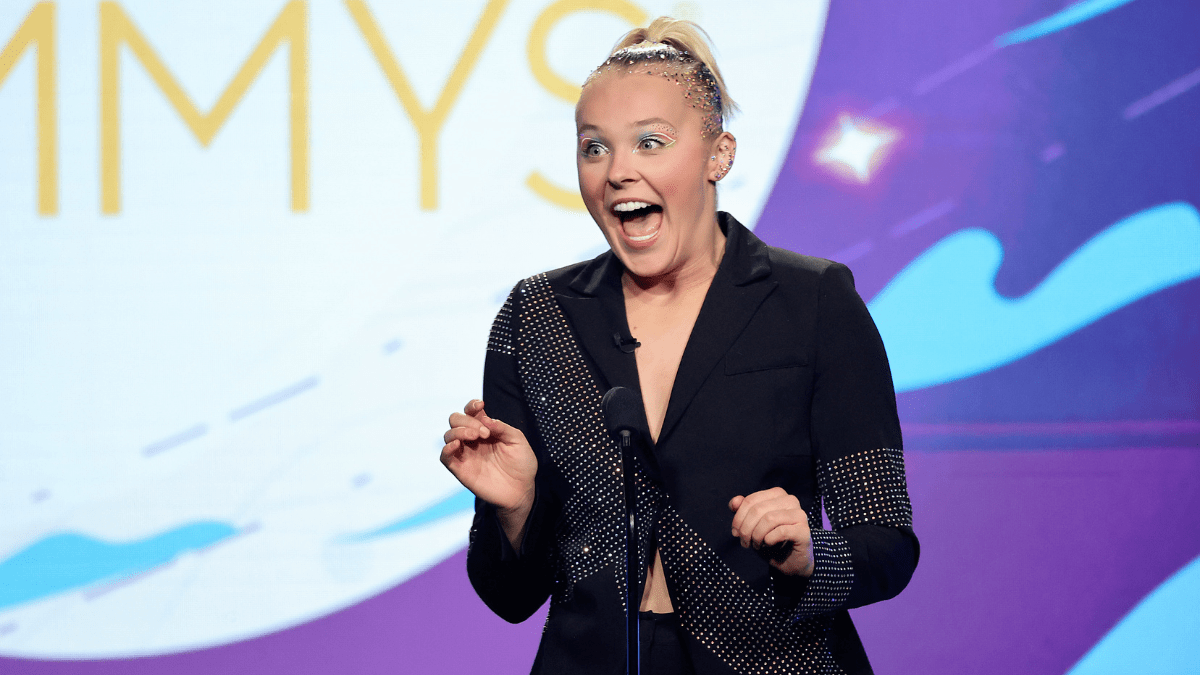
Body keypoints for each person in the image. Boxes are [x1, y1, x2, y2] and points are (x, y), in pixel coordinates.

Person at [440, 17, 918, 675]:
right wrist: (516, 509)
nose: (618, 173)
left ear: (719, 153)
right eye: (594, 148)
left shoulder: (813, 301)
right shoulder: (539, 317)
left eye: (650, 142)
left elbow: (888, 545)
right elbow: (511, 597)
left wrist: (812, 551)